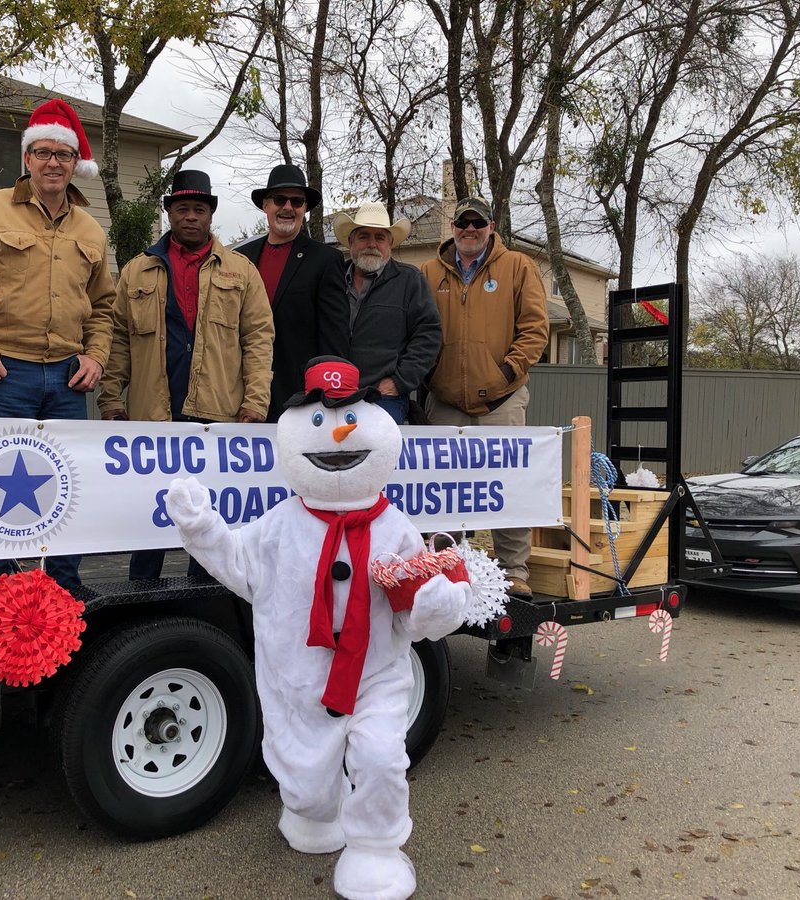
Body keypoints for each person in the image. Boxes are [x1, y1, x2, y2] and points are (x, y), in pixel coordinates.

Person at [166, 357, 504, 900]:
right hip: (297, 676)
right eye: (322, 422)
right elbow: (239, 565)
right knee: (304, 779)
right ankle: (314, 814)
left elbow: (421, 614)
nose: (340, 435)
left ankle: (375, 850)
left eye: (351, 419)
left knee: (379, 757)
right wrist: (201, 527)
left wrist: (439, 603)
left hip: (376, 673)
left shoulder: (396, 528)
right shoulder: (280, 523)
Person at [0, 98, 115, 599]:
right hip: (4, 376)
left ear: (75, 161)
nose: (53, 162)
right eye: (43, 152)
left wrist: (96, 356)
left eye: (63, 154)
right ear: (27, 158)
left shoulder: (90, 228)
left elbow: (104, 305)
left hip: (66, 379)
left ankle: (64, 599)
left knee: (66, 492)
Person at [97, 170, 274, 580]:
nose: (190, 217)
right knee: (151, 513)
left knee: (210, 517)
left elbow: (259, 339)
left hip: (217, 414)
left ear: (210, 214)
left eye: (198, 209)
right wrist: (110, 400)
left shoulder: (242, 271)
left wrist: (255, 401)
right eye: (182, 209)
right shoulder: (137, 271)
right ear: (170, 213)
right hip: (152, 414)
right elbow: (119, 340)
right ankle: (141, 595)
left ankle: (203, 599)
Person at [419, 195, 550, 597]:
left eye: (478, 222)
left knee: (509, 485)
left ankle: (514, 571)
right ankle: (445, 567)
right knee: (443, 490)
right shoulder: (428, 273)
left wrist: (506, 372)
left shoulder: (518, 267)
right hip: (444, 403)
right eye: (463, 223)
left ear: (491, 226)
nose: (470, 229)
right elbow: (416, 332)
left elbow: (535, 330)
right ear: (453, 228)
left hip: (501, 401)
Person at [234, 164, 349, 421]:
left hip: (298, 396)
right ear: (265, 205)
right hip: (241, 393)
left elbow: (334, 336)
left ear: (305, 210)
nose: (288, 207)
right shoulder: (240, 258)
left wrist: (327, 396)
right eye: (279, 199)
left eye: (297, 201)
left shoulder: (325, 259)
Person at [332, 203, 441, 426]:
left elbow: (428, 336)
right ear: (350, 242)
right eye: (363, 236)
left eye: (380, 237)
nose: (372, 244)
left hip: (383, 399)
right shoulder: (332, 280)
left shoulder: (409, 280)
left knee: (378, 458)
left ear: (390, 244)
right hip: (333, 396)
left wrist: (399, 381)